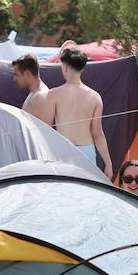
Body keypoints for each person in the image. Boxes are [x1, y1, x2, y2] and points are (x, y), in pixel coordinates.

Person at [47, 48, 112, 178]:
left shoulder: (54, 94)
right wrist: (108, 163)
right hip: (87, 152)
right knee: (86, 193)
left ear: (65, 67)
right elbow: (97, 133)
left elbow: (45, 127)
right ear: (82, 69)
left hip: (63, 150)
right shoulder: (95, 97)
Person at [11, 54, 52, 125]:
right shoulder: (34, 93)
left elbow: (42, 132)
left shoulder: (39, 97)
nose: (14, 79)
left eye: (16, 75)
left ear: (27, 73)